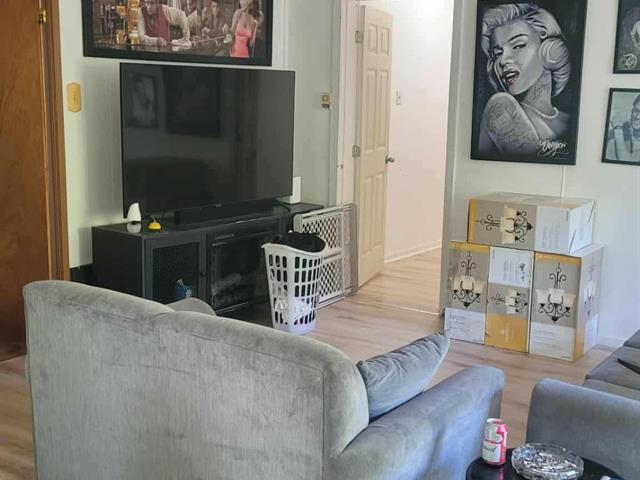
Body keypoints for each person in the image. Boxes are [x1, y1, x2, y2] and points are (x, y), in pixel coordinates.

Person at [477, 4, 571, 156]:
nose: (502, 61)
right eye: (497, 54)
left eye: (518, 46)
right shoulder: (500, 109)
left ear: (549, 49)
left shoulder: (568, 121)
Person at [606, 94, 640, 162]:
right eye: (636, 110)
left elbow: (626, 161)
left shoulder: (618, 129)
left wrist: (618, 128)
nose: (638, 117)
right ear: (632, 110)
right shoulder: (625, 128)